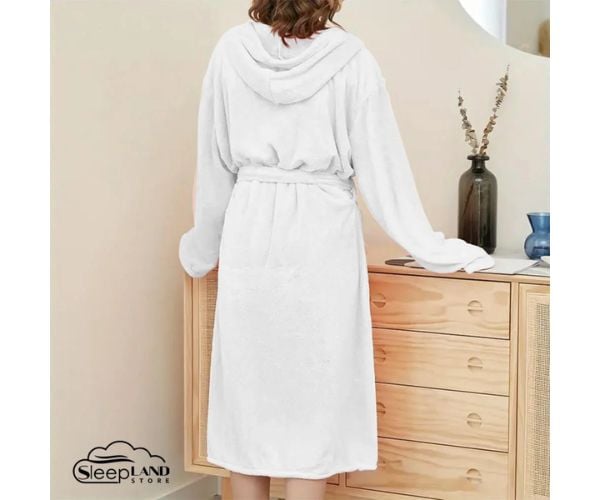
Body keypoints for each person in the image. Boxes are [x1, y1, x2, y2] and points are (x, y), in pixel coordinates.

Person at [178, 1, 495, 499]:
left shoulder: (229, 52)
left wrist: (202, 246)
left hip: (250, 231)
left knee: (248, 397)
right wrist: (429, 246)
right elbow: (383, 170)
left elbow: (214, 162)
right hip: (321, 235)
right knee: (314, 398)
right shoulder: (352, 59)